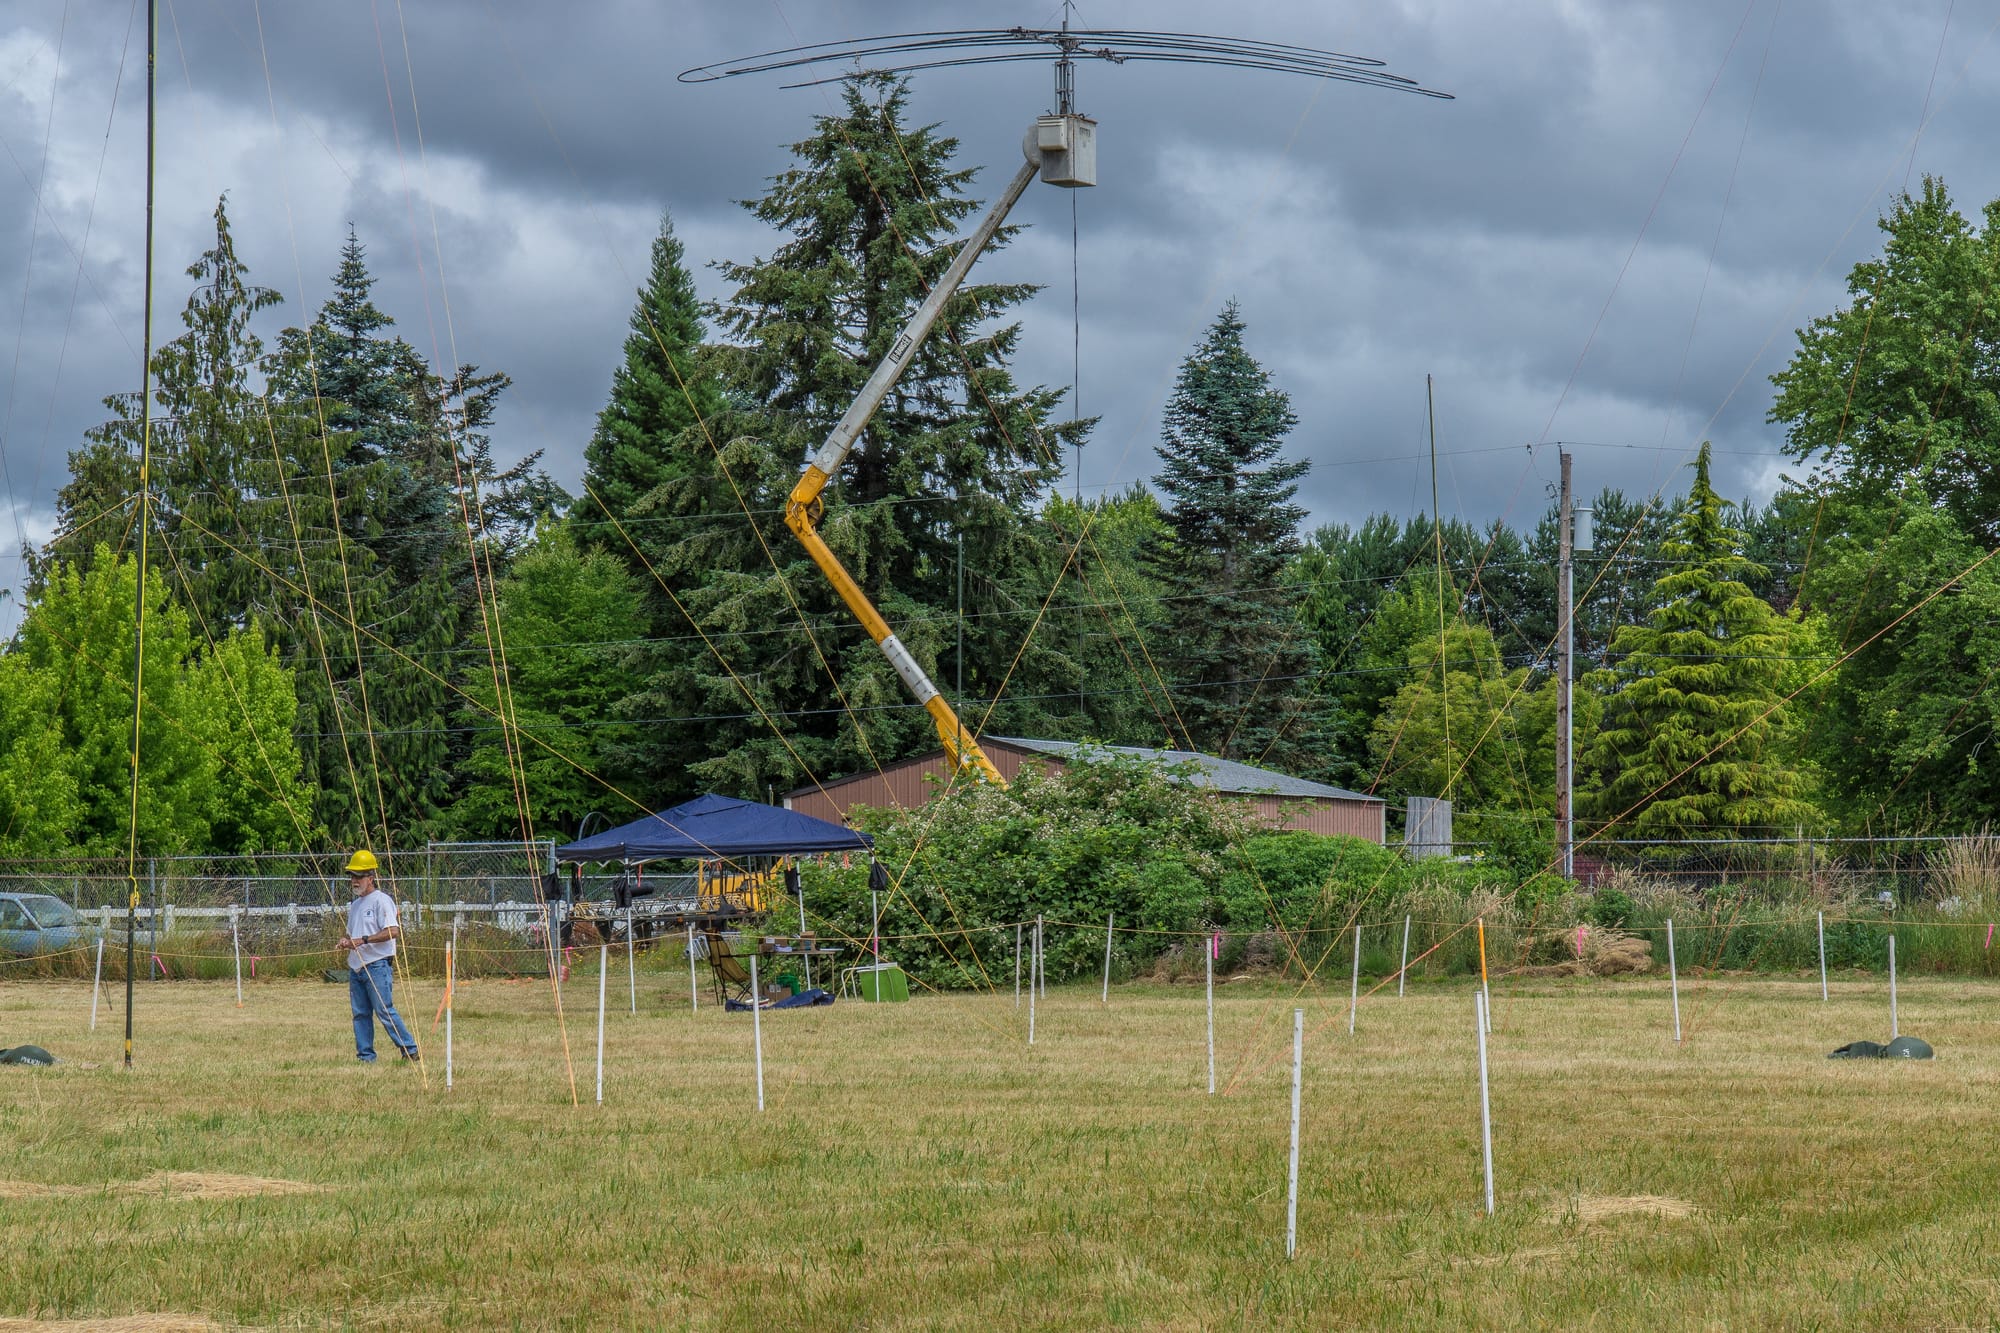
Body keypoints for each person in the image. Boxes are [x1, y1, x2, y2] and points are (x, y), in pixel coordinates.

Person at [336, 849, 418, 1063]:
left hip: (377, 965)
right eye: (352, 876)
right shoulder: (354, 906)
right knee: (360, 1014)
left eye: (359, 876)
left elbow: (392, 931)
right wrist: (347, 941)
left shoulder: (382, 901)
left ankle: (409, 1049)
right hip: (356, 968)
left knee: (384, 1010)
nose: (354, 880)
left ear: (371, 878)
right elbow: (353, 934)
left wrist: (363, 940)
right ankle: (366, 1057)